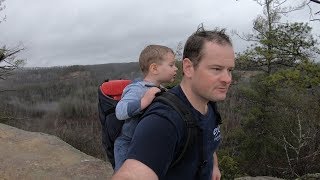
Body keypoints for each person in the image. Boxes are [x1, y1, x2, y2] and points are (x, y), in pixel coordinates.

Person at [112, 26, 235, 180]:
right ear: (189, 68)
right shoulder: (164, 119)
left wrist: (213, 165)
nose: (227, 79)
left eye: (229, 70)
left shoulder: (208, 103)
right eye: (216, 69)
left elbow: (207, 138)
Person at [113, 45, 178, 171]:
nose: (176, 68)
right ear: (154, 68)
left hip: (146, 144)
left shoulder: (161, 89)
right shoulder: (138, 88)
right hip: (128, 145)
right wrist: (144, 101)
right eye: (171, 65)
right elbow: (120, 111)